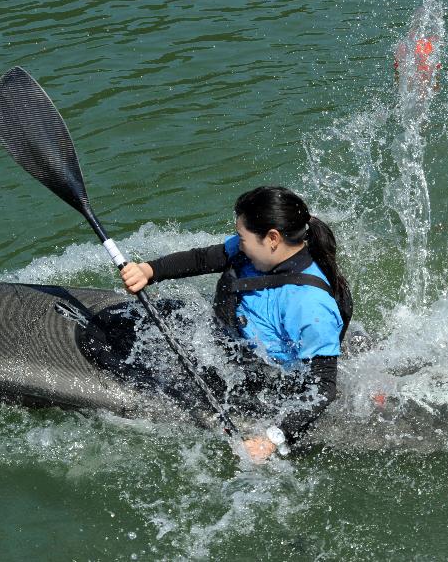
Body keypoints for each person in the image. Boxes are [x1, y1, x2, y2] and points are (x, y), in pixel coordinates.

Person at [121, 186, 351, 462]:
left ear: (272, 238)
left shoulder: (309, 306)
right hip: (232, 345)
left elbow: (324, 388)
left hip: (270, 380)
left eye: (242, 237)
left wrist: (272, 438)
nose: (238, 242)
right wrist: (149, 270)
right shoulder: (256, 252)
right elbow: (204, 258)